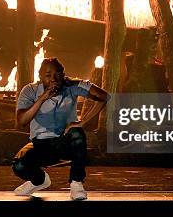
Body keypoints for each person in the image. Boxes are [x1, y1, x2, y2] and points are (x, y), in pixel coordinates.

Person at [12, 58, 109, 200]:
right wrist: (42, 98)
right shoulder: (30, 90)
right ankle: (39, 181)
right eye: (48, 75)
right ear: (40, 77)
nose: (53, 79)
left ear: (63, 75)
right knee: (19, 165)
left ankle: (76, 183)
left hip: (64, 143)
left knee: (77, 132)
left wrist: (83, 122)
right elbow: (22, 121)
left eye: (57, 74)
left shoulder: (71, 86)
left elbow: (103, 96)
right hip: (40, 144)